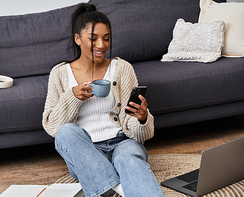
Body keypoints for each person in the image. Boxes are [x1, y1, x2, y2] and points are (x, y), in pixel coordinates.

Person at [42, 3, 164, 197]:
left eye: (106, 39)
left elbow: (141, 132)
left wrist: (141, 119)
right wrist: (72, 97)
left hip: (122, 143)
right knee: (66, 132)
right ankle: (120, 189)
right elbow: (51, 126)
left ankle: (105, 186)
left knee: (129, 160)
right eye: (93, 39)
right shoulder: (59, 74)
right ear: (78, 39)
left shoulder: (122, 68)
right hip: (86, 153)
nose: (101, 45)